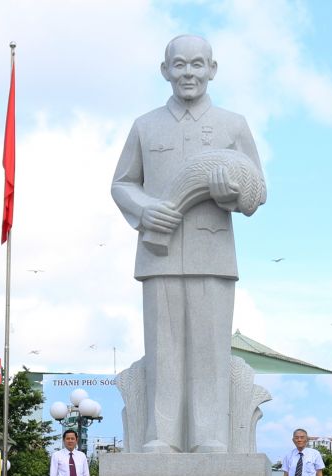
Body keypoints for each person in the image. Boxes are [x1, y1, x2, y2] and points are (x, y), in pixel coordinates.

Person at [111, 34, 265, 454]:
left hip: (212, 255)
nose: (188, 73)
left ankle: (210, 436)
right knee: (163, 351)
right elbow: (123, 183)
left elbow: (258, 191)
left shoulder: (234, 125)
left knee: (209, 352)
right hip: (158, 254)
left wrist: (231, 194)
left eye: (197, 64)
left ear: (212, 69)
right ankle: (160, 435)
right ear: (165, 71)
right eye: (179, 64)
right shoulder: (145, 125)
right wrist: (145, 210)